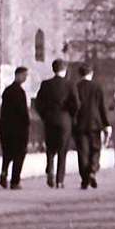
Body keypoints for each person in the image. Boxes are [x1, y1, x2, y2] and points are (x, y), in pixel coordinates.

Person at [33, 59, 80, 189]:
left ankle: (50, 169)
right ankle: (59, 180)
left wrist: (44, 115)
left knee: (50, 147)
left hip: (49, 120)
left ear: (53, 69)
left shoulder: (46, 84)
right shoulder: (70, 85)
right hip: (65, 121)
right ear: (64, 70)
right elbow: (76, 104)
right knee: (62, 150)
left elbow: (38, 103)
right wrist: (71, 116)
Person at [73, 63, 112, 190]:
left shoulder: (76, 87)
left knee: (83, 152)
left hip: (80, 124)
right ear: (91, 73)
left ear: (80, 74)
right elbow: (102, 107)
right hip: (95, 123)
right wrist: (106, 124)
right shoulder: (97, 87)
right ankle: (93, 170)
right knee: (95, 149)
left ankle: (84, 179)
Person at [0, 66, 30, 189]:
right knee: (19, 154)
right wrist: (26, 125)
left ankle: (4, 172)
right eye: (24, 75)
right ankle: (15, 181)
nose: (25, 78)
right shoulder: (20, 92)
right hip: (18, 129)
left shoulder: (7, 91)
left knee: (7, 153)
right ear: (18, 75)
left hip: (5, 127)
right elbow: (23, 113)